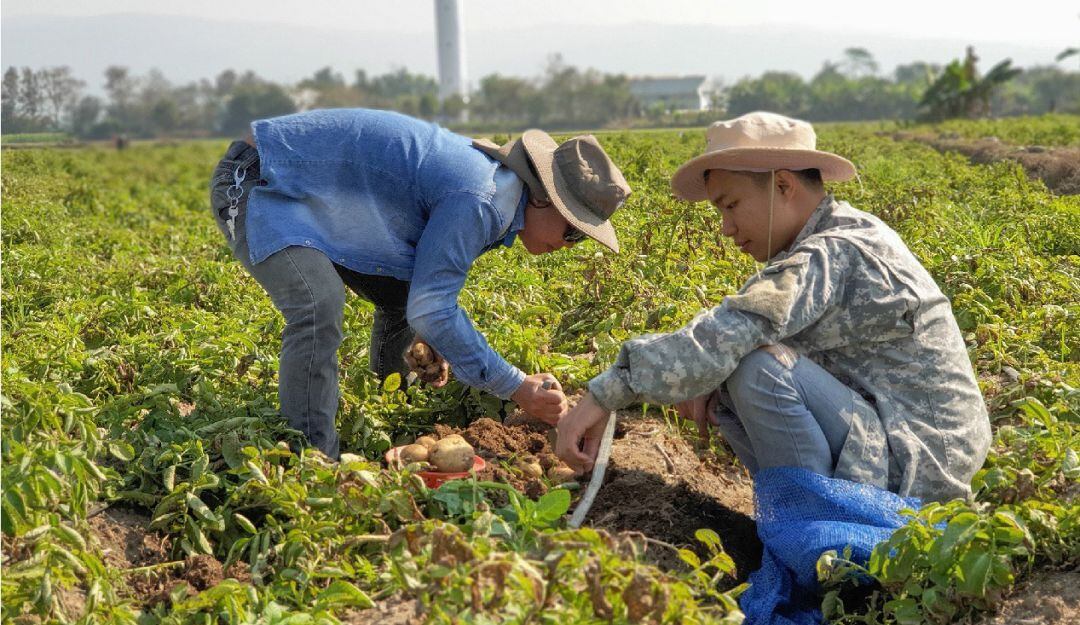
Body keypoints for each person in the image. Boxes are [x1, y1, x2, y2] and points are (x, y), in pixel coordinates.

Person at [555, 111, 990, 502]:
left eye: (731, 205)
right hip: (907, 447)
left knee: (757, 368)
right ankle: (801, 523)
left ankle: (820, 539)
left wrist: (606, 393)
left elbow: (736, 326)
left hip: (920, 468)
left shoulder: (832, 251)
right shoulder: (840, 235)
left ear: (783, 185)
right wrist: (708, 377)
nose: (726, 228)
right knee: (734, 368)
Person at [209, 108, 631, 458]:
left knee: (402, 294)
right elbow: (433, 307)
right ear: (542, 198)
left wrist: (438, 340)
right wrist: (516, 386)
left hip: (319, 197)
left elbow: (424, 296)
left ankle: (390, 400)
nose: (569, 244)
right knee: (317, 306)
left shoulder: (498, 193)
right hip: (262, 179)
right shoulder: (482, 199)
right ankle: (312, 458)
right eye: (573, 230)